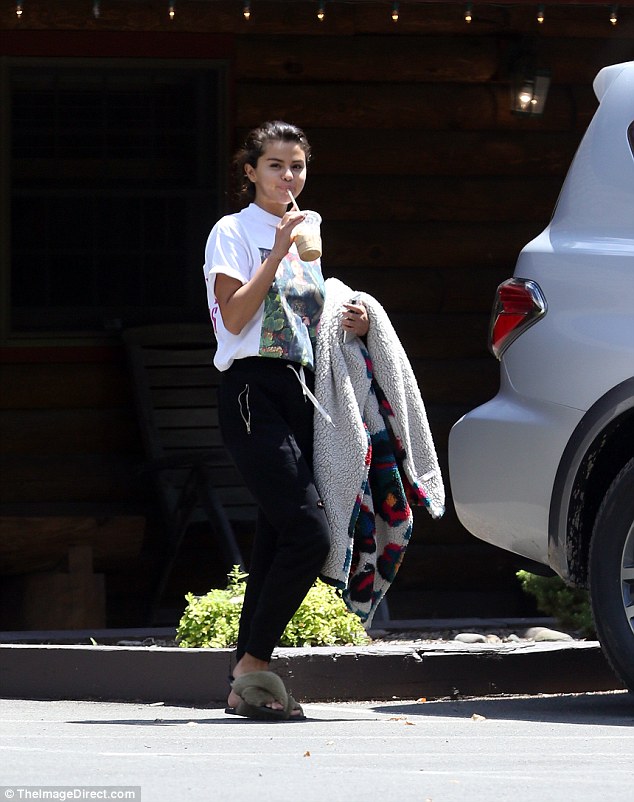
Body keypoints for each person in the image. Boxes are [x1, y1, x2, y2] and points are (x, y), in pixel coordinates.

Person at [203, 120, 368, 720]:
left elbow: (307, 326)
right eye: (275, 165)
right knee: (308, 533)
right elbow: (234, 316)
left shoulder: (307, 234)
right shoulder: (232, 231)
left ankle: (244, 680)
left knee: (275, 536)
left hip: (303, 391)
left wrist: (354, 324)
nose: (288, 177)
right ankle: (253, 665)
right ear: (250, 171)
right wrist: (275, 252)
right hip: (252, 389)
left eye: (297, 166)